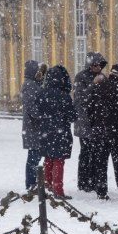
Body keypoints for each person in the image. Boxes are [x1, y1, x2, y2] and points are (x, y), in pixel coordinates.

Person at [86, 64, 118, 201]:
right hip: (116, 133)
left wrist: (96, 125)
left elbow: (90, 109)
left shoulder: (98, 88)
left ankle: (101, 191)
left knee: (101, 163)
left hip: (100, 133)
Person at [36, 65, 75, 197]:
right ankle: (57, 189)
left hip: (45, 131)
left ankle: (47, 187)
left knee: (48, 159)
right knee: (58, 160)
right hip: (60, 131)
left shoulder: (41, 94)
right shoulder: (64, 96)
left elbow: (36, 112)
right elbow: (72, 116)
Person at [73, 52, 107, 192]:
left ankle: (94, 181)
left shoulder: (103, 77)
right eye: (95, 65)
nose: (98, 67)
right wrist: (93, 85)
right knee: (86, 153)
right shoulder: (81, 77)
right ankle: (83, 182)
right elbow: (80, 99)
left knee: (97, 153)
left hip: (98, 122)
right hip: (85, 121)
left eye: (100, 64)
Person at [21, 60, 43, 189]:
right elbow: (31, 106)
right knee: (34, 156)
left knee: (34, 155)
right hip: (33, 127)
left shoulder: (32, 84)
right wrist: (42, 116)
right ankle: (30, 183)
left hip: (33, 127)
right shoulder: (30, 85)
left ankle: (32, 182)